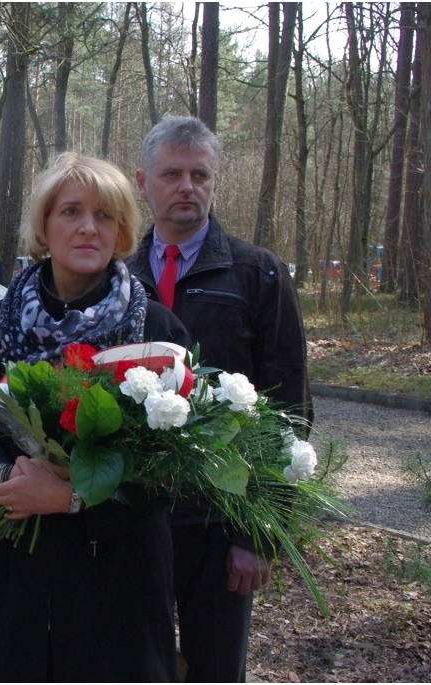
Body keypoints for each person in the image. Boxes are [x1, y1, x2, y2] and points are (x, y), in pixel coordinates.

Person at [0, 152, 189, 681]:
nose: (88, 228)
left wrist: (74, 497)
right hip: (21, 571)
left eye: (105, 215)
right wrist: (6, 477)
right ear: (44, 225)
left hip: (120, 581)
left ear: (123, 229)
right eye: (71, 212)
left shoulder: (158, 331)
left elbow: (177, 472)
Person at [125, 114, 312, 683]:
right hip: (133, 518)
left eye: (200, 175)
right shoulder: (119, 277)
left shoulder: (257, 275)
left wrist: (257, 535)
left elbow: (289, 410)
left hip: (218, 520)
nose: (188, 186)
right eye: (173, 174)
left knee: (214, 670)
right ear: (143, 181)